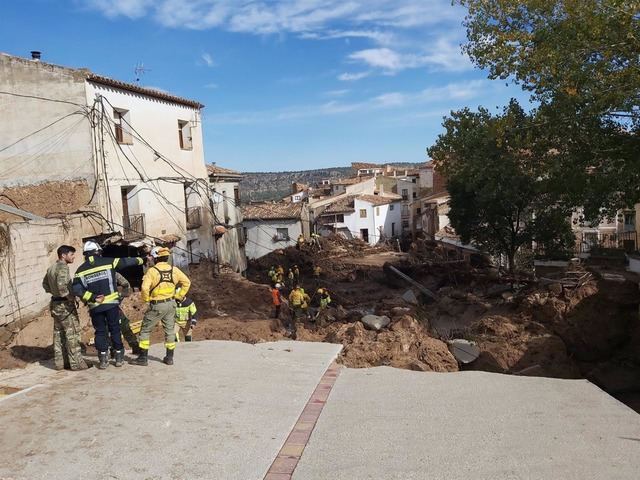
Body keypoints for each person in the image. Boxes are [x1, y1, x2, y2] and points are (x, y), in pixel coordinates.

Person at [72, 241, 144, 369]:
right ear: (98, 252)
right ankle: (119, 358)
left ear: (85, 254)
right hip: (111, 305)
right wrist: (141, 259)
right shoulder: (108, 261)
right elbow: (126, 262)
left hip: (95, 307)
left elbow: (77, 290)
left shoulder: (80, 270)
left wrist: (93, 297)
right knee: (115, 329)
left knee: (100, 332)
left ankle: (103, 360)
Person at [134, 247, 191, 366]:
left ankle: (143, 358)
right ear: (166, 258)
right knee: (169, 331)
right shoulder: (174, 270)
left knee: (145, 330)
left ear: (155, 258)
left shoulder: (152, 271)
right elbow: (187, 282)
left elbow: (144, 288)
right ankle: (169, 358)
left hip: (157, 305)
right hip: (171, 304)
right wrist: (179, 296)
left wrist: (146, 299)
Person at [42, 245, 89, 371]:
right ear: (63, 255)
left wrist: (54, 292)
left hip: (55, 305)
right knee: (72, 333)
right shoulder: (63, 268)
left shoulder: (51, 268)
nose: (73, 257)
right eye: (71, 254)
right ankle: (76, 363)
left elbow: (45, 285)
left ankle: (60, 363)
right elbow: (63, 288)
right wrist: (71, 298)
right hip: (65, 306)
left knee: (58, 334)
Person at [111, 272, 142, 355]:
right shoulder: (110, 271)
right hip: (106, 306)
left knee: (123, 324)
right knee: (112, 328)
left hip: (109, 306)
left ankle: (133, 346)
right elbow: (126, 284)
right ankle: (114, 349)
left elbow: (126, 284)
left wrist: (120, 295)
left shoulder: (111, 272)